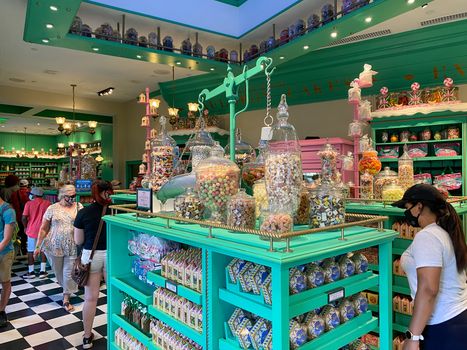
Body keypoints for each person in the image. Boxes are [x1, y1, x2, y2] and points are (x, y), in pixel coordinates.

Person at [391, 184, 467, 349]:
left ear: (419, 207)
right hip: (457, 320)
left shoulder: (427, 237)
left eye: (407, 208)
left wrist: (412, 337)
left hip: (442, 326)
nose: (406, 213)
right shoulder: (445, 232)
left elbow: (428, 289)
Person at [74, 180, 113, 349]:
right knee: (114, 293)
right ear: (108, 192)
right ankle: (118, 332)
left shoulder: (84, 213)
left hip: (91, 256)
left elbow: (78, 240)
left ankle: (87, 336)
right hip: (113, 254)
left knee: (90, 298)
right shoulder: (117, 210)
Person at [34, 185, 83, 312]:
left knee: (69, 272)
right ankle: (65, 287)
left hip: (72, 244)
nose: (73, 198)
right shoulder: (52, 208)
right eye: (70, 196)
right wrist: (38, 246)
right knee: (58, 271)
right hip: (53, 245)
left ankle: (66, 298)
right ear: (62, 196)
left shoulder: (79, 207)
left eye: (74, 196)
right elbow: (43, 228)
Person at [22, 187, 51, 279]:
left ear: (33, 195)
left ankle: (31, 272)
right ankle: (42, 271)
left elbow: (23, 217)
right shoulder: (48, 204)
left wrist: (25, 227)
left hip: (31, 230)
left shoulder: (28, 203)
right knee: (43, 249)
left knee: (31, 250)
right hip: (45, 230)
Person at [0, 194, 16, 328]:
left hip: (4, 253)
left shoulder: (8, 210)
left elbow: (6, 239)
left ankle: (1, 310)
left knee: (5, 282)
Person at [10, 179, 30, 255]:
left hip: (18, 216)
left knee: (21, 232)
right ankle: (25, 248)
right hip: (27, 217)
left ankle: (21, 247)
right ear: (27, 185)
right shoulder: (29, 193)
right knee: (26, 232)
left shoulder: (14, 194)